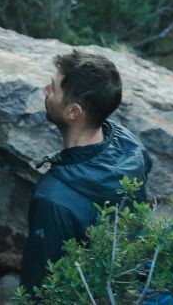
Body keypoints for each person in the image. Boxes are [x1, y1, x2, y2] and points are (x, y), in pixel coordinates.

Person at [21, 48, 153, 294]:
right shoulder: (129, 144)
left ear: (74, 112)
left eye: (54, 87)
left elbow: (38, 289)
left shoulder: (53, 199)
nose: (45, 90)